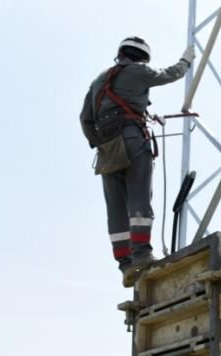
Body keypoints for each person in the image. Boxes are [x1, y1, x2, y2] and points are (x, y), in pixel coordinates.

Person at [80, 36, 195, 287]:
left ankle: (125, 265)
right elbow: (170, 74)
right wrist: (186, 60)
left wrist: (100, 142)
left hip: (107, 150)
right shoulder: (138, 71)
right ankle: (142, 254)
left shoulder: (98, 81)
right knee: (139, 197)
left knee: (116, 207)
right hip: (132, 140)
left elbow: (85, 119)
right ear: (142, 57)